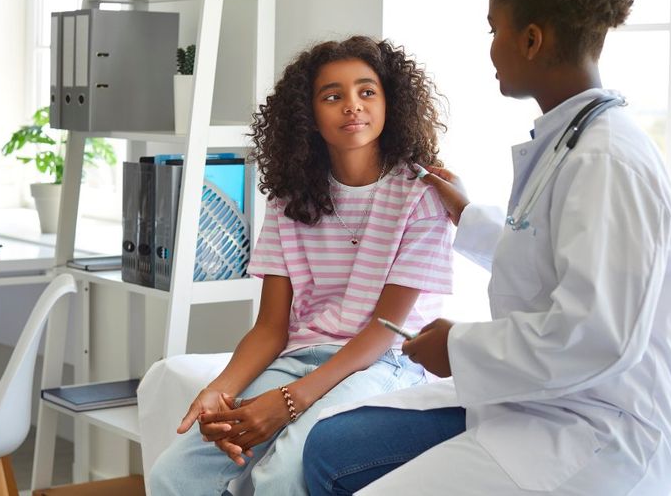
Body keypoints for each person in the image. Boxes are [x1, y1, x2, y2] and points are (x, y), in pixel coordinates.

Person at [302, 0, 671, 494]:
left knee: (346, 473)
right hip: (539, 400)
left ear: (531, 39)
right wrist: (468, 216)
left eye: (494, 30)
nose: (491, 48)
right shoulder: (569, 141)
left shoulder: (605, 160)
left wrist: (457, 346)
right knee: (329, 447)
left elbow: (595, 337)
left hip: (601, 433)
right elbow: (548, 259)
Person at [148, 35, 454, 496]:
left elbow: (382, 331)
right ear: (308, 115)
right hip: (301, 356)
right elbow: (271, 326)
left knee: (283, 474)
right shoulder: (290, 198)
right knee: (175, 474)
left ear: (391, 102)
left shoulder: (421, 195)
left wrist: (288, 403)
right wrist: (219, 391)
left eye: (367, 91)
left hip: (386, 362)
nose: (352, 106)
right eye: (333, 96)